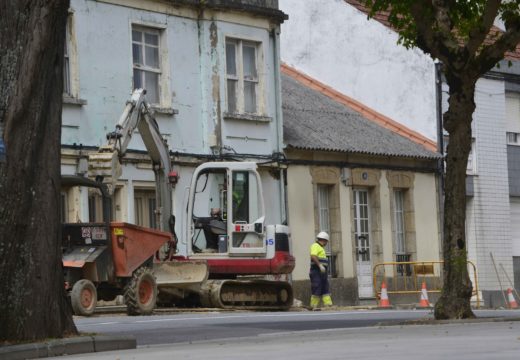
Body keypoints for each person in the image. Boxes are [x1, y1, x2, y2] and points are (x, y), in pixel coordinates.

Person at [309, 231, 333, 309]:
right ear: (324, 240)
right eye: (326, 241)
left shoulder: (321, 248)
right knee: (317, 286)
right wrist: (320, 265)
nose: (326, 243)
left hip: (322, 271)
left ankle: (328, 304)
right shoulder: (315, 246)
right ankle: (313, 305)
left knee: (325, 287)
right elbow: (313, 256)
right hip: (316, 271)